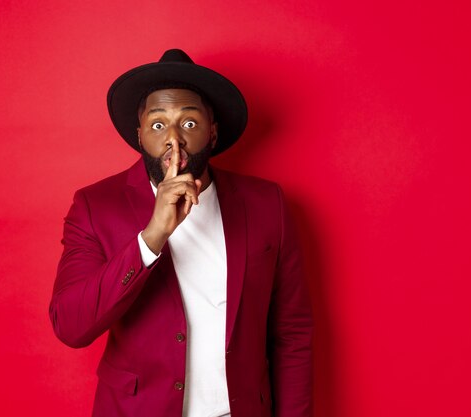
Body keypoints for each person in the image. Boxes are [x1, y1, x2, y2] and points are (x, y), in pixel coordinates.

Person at [49, 49, 313, 417]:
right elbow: (71, 326)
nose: (174, 139)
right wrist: (152, 236)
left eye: (189, 123)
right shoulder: (95, 206)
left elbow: (291, 332)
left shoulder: (266, 203)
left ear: (213, 132)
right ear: (139, 135)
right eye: (158, 125)